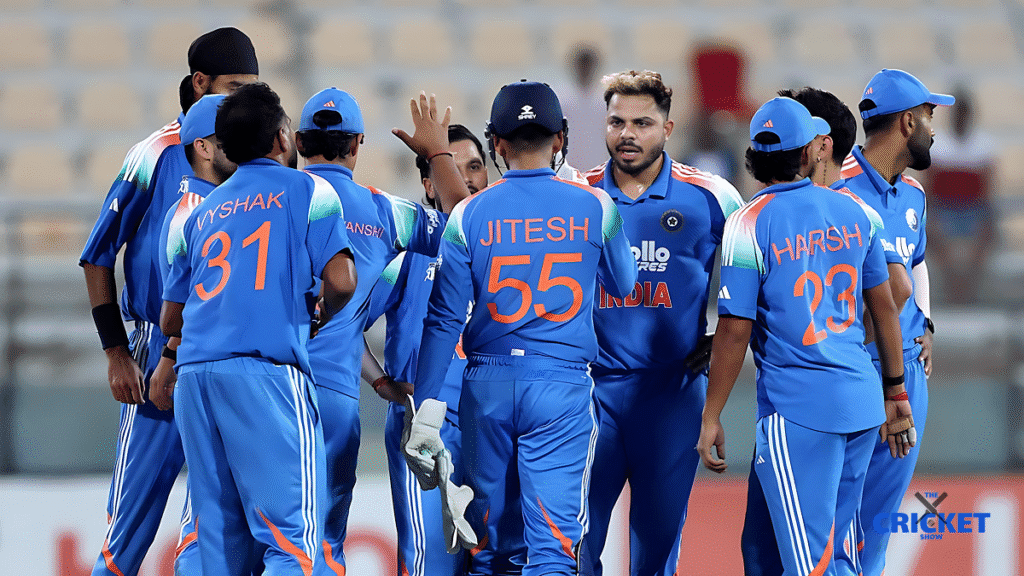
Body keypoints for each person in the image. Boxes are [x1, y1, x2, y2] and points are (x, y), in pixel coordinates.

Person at [408, 80, 637, 575]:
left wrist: (426, 407)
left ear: (498, 145)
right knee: (553, 549)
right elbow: (623, 283)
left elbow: (444, 318)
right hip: (561, 385)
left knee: (486, 549)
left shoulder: (467, 214)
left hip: (485, 387)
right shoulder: (597, 206)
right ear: (560, 140)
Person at [697, 96, 913, 576]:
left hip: (798, 411)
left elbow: (734, 330)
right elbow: (887, 307)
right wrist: (895, 390)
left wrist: (711, 414)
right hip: (860, 403)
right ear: (810, 153)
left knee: (808, 564)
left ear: (752, 156)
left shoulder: (747, 223)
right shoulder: (855, 211)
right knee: (841, 557)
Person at [78, 27, 257, 576]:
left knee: (214, 526)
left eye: (251, 89)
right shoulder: (155, 154)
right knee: (128, 527)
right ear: (200, 83)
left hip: (228, 355)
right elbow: (97, 254)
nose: (242, 102)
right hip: (158, 349)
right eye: (231, 88)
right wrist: (115, 353)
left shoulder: (257, 160)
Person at [161, 81, 358, 576]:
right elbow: (342, 280)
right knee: (293, 543)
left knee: (216, 546)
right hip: (266, 375)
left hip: (197, 376)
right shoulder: (310, 189)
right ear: (282, 139)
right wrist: (319, 313)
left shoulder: (200, 214)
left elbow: (170, 318)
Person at [297, 87, 470, 571]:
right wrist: (435, 151)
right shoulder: (381, 210)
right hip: (331, 395)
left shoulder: (272, 197)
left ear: (296, 141)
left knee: (242, 536)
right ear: (357, 145)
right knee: (324, 543)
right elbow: (468, 224)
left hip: (259, 383)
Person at [580, 69, 743, 576]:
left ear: (668, 129)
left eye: (643, 123)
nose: (627, 134)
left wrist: (724, 333)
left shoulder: (715, 197)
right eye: (617, 122)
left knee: (654, 559)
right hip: (589, 399)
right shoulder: (578, 195)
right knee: (574, 548)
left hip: (673, 398)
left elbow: (762, 271)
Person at [837, 68, 953, 576]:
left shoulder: (913, 195)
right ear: (908, 122)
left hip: (906, 369)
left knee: (878, 528)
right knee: (838, 525)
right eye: (929, 117)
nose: (934, 129)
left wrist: (925, 322)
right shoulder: (838, 192)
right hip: (856, 371)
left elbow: (917, 261)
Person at [361, 124, 488, 576]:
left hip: (493, 424)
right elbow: (343, 322)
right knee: (427, 561)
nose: (467, 178)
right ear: (428, 182)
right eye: (451, 167)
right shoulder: (409, 255)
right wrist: (380, 382)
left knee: (494, 558)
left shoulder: (505, 248)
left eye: (475, 166)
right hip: (424, 432)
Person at [146, 93, 238, 569]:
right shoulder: (211, 209)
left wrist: (169, 357)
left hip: (198, 371)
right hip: (226, 371)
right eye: (227, 139)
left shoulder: (187, 208)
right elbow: (178, 312)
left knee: (209, 508)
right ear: (204, 147)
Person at [923, 86, 996, 304]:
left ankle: (968, 287)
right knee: (932, 229)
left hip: (973, 209)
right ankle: (954, 284)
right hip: (944, 209)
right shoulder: (937, 145)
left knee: (987, 231)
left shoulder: (984, 145)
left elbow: (987, 191)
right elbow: (930, 187)